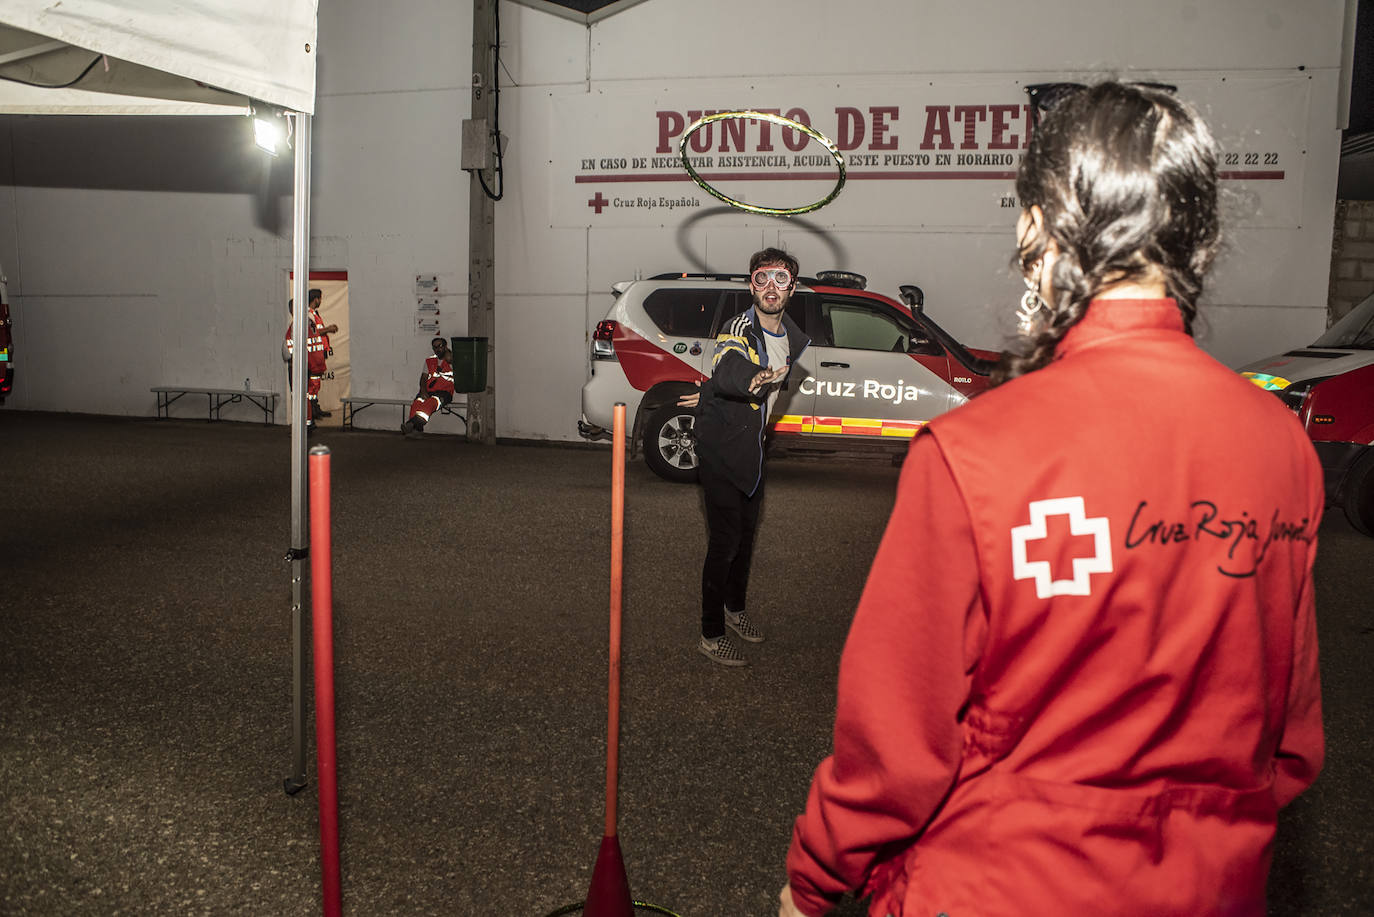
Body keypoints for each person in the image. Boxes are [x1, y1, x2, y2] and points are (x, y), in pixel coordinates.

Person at [781, 82, 1324, 916]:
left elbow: (895, 753)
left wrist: (814, 881)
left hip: (997, 885)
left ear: (1040, 228)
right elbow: (1286, 744)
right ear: (1201, 242)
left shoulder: (976, 452)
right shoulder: (1282, 444)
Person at [693, 247, 809, 666]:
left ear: (792, 288)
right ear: (750, 285)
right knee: (724, 543)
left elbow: (715, 383)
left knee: (745, 539)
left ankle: (734, 610)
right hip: (722, 450)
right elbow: (727, 362)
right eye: (762, 278)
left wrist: (706, 392)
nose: (771, 287)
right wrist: (750, 379)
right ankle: (711, 633)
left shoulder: (792, 336)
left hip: (753, 451)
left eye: (781, 279)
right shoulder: (739, 326)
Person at [283, 288, 338, 424]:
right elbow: (293, 345)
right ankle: (309, 417)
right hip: (306, 361)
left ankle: (310, 416)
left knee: (310, 389)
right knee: (307, 390)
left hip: (309, 360)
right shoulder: (306, 318)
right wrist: (328, 329)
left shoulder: (309, 318)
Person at [402, 336, 455, 437]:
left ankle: (411, 424)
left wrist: (450, 356)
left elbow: (452, 360)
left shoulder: (452, 361)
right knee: (417, 403)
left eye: (440, 346)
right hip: (429, 390)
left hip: (445, 392)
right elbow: (423, 378)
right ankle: (417, 431)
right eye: (434, 347)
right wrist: (423, 391)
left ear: (445, 347)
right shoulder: (429, 361)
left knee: (430, 403)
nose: (437, 349)